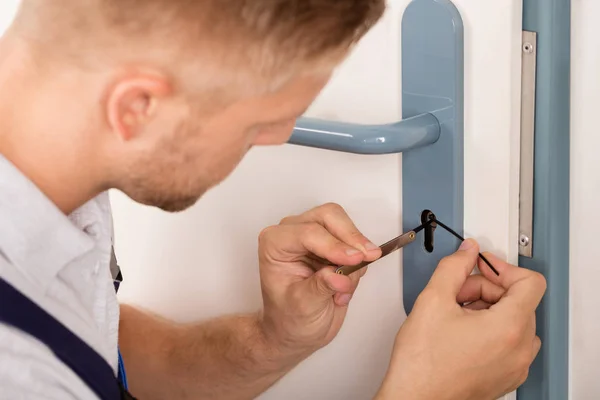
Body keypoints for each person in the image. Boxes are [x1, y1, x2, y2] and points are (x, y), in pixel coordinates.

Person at [0, 1, 546, 399]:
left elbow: (101, 351)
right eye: (260, 123)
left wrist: (272, 341)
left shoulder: (51, 176)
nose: (281, 138)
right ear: (137, 107)